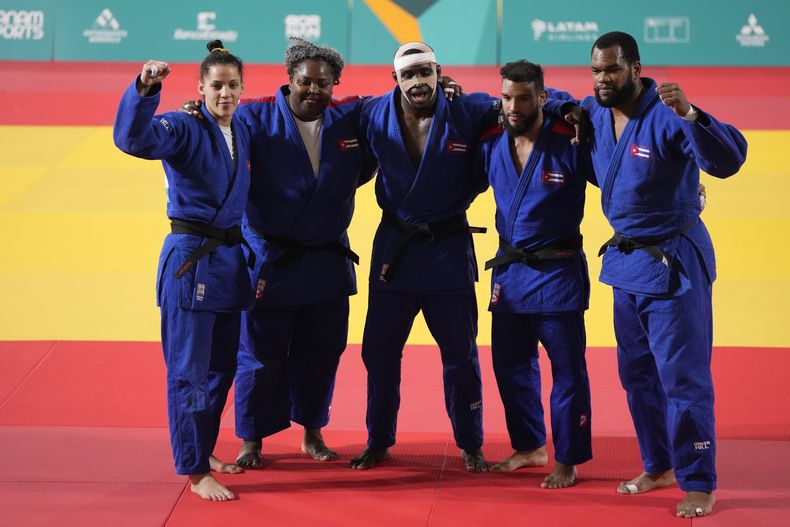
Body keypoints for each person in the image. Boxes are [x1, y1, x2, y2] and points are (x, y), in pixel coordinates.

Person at [553, 31, 747, 517]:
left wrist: (693, 114)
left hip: (674, 262)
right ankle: (659, 463)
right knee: (636, 374)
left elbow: (729, 160)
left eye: (612, 70)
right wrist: (564, 113)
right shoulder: (593, 111)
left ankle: (699, 479)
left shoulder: (667, 114)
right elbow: (556, 101)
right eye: (596, 70)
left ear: (636, 68)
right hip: (626, 263)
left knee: (682, 377)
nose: (603, 78)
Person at [113, 40, 253, 501]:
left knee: (221, 368)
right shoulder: (184, 124)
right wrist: (146, 89)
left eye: (233, 85)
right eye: (217, 86)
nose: (225, 94)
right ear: (200, 87)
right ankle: (193, 469)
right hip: (191, 261)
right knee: (188, 371)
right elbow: (136, 139)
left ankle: (204, 446)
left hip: (230, 262)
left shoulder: (243, 129)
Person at [349, 42, 499, 472]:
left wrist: (567, 110)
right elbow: (315, 104)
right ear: (394, 79)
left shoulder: (468, 110)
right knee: (378, 351)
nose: (418, 81)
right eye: (408, 74)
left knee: (461, 353)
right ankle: (379, 439)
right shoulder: (371, 113)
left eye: (425, 71)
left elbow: (520, 102)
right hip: (394, 250)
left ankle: (471, 443)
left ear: (439, 71)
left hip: (447, 249)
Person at [230, 38, 377, 468]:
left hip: (326, 259)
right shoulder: (254, 117)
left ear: (336, 85)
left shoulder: (348, 119)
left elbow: (386, 124)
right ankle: (252, 439)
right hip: (271, 260)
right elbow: (214, 120)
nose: (314, 90)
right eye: (305, 81)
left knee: (323, 350)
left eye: (324, 83)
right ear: (289, 80)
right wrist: (193, 109)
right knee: (259, 354)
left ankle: (312, 432)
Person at [476, 60, 594, 488]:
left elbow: (619, 176)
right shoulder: (490, 139)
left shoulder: (570, 137)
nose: (513, 106)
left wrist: (682, 190)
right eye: (507, 97)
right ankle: (530, 446)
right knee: (510, 366)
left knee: (568, 371)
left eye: (524, 98)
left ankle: (568, 457)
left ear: (542, 98)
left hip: (557, 272)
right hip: (509, 275)